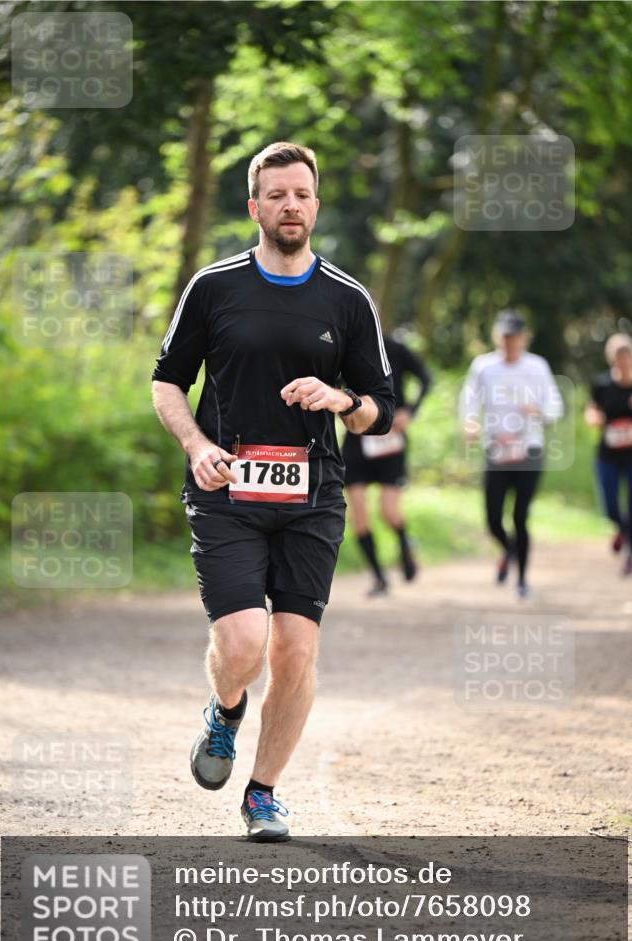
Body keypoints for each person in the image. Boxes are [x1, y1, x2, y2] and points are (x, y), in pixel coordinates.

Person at [151, 142, 394, 841]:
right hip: (227, 490)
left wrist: (340, 399)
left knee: (293, 652)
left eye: (303, 194)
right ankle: (225, 710)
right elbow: (168, 380)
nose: (292, 205)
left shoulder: (346, 299)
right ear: (254, 205)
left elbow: (379, 407)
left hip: (312, 498)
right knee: (243, 644)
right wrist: (196, 446)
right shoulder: (214, 287)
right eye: (278, 194)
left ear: (316, 205)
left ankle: (262, 793)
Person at [459, 310, 564, 599]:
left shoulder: (537, 367)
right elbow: (468, 400)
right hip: (497, 449)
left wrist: (538, 411)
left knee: (520, 516)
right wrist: (470, 422)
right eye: (505, 337)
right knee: (493, 519)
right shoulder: (484, 366)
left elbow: (555, 406)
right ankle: (509, 550)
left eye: (514, 337)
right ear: (497, 337)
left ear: (524, 338)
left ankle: (522, 580)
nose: (510, 343)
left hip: (528, 449)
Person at [343, 335, 430, 595]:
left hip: (391, 437)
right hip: (357, 440)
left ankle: (405, 544)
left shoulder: (395, 349)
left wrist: (410, 411)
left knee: (388, 511)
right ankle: (379, 577)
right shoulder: (343, 346)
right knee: (358, 511)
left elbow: (426, 377)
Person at [585, 333, 632, 576]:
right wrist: (593, 418)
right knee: (610, 506)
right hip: (607, 456)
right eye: (617, 358)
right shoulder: (602, 385)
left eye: (627, 357)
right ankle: (621, 528)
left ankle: (630, 556)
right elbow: (591, 410)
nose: (622, 363)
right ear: (612, 360)